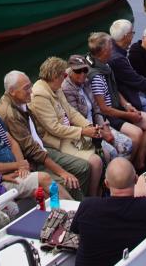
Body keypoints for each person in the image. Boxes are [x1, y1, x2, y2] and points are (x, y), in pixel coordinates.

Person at [0, 70, 87, 198]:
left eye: (30, 86)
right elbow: (32, 151)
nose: (31, 91)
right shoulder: (11, 114)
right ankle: (78, 208)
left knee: (83, 167)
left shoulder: (18, 100)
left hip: (41, 148)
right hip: (33, 161)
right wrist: (62, 172)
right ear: (12, 91)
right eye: (26, 88)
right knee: (67, 183)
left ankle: (83, 201)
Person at [28, 58, 106, 196]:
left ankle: (99, 191)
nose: (65, 78)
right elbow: (54, 128)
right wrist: (83, 131)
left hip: (69, 134)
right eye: (63, 75)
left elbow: (70, 112)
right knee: (95, 162)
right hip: (57, 141)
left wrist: (88, 126)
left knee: (104, 153)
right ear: (54, 76)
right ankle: (92, 197)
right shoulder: (40, 95)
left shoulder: (55, 88)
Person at [85, 38, 146, 166]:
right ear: (103, 51)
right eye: (110, 47)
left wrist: (127, 105)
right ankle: (126, 169)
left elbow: (115, 89)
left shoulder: (106, 66)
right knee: (136, 134)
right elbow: (104, 109)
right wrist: (129, 115)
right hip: (109, 115)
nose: (113, 49)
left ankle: (139, 162)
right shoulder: (96, 76)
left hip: (118, 108)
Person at [62, 54, 139, 165]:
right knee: (112, 152)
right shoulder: (67, 88)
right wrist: (100, 132)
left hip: (98, 124)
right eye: (78, 71)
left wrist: (104, 126)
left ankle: (121, 174)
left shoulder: (86, 81)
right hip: (85, 131)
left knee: (127, 144)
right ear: (70, 71)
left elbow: (97, 108)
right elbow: (76, 119)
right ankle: (113, 177)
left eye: (85, 70)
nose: (83, 74)